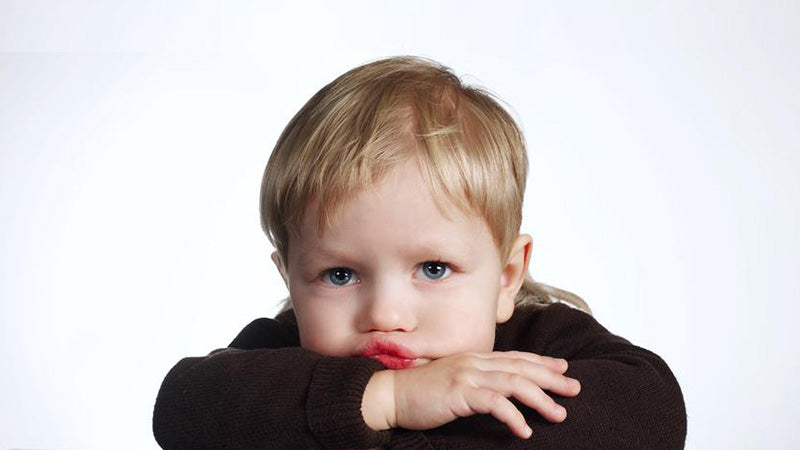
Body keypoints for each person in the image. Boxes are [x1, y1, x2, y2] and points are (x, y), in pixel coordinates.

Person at [152, 55, 687, 449]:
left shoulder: (538, 341)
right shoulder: (283, 353)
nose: (385, 314)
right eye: (339, 275)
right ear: (291, 281)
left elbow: (653, 413)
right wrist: (387, 400)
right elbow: (182, 410)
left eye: (433, 269)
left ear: (505, 278)